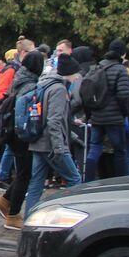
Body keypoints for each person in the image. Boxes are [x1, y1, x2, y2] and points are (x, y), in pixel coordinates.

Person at [24, 54, 83, 215]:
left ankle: (29, 217)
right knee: (75, 180)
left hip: (38, 142)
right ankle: (70, 215)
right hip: (51, 144)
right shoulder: (59, 89)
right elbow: (54, 120)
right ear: (69, 72)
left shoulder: (45, 85)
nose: (77, 76)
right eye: (76, 72)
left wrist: (72, 137)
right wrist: (59, 148)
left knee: (36, 184)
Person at [0, 51, 45, 227]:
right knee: (25, 174)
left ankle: (4, 201)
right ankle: (13, 215)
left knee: (23, 172)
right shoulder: (31, 85)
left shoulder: (18, 79)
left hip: (11, 131)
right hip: (22, 133)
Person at [84, 38, 129, 181]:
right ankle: (120, 181)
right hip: (114, 118)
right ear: (123, 54)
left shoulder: (97, 67)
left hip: (96, 115)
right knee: (120, 150)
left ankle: (88, 179)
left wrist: (91, 113)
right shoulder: (120, 69)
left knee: (94, 148)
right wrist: (124, 112)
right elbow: (123, 95)